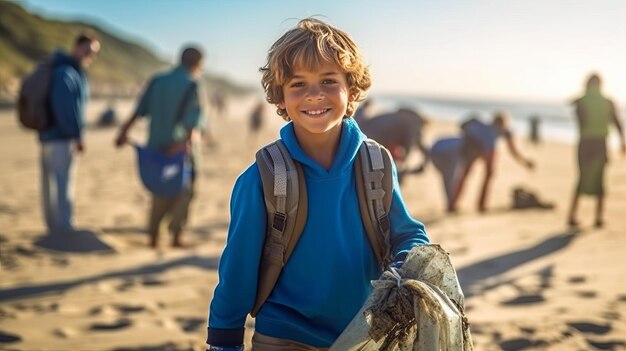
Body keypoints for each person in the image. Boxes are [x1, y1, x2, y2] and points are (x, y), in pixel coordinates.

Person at [206, 18, 429, 351]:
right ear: (280, 97)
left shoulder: (376, 164)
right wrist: (224, 342)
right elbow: (237, 271)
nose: (314, 95)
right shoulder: (262, 178)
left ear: (352, 90)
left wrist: (404, 264)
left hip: (365, 333)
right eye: (298, 84)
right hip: (283, 335)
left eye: (328, 81)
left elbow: (408, 232)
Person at [115, 46, 205, 248]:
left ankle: (154, 237)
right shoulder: (192, 84)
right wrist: (185, 145)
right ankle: (176, 237)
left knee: (160, 189)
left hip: (155, 145)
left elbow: (139, 110)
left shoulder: (158, 80)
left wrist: (123, 133)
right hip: (179, 148)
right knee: (185, 190)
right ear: (198, 63)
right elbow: (193, 121)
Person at [39, 32, 100, 235]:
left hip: (49, 134)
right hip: (60, 137)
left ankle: (55, 225)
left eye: (94, 53)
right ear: (77, 47)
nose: (90, 56)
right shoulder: (67, 72)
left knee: (52, 182)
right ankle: (63, 227)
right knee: (62, 181)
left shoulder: (64, 69)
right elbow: (65, 108)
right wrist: (76, 135)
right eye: (89, 51)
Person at [430, 111, 534, 213]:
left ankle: (460, 204)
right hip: (478, 149)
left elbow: (513, 150)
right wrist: (524, 162)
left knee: (468, 176)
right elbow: (511, 150)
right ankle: (475, 205)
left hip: (473, 150)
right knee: (481, 175)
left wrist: (524, 162)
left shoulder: (497, 130)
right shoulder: (489, 130)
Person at [567, 73, 626, 228]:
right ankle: (598, 218)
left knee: (582, 177)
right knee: (600, 179)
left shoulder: (582, 100)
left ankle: (572, 215)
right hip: (601, 143)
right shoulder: (608, 102)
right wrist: (622, 141)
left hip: (585, 143)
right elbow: (617, 121)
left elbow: (574, 110)